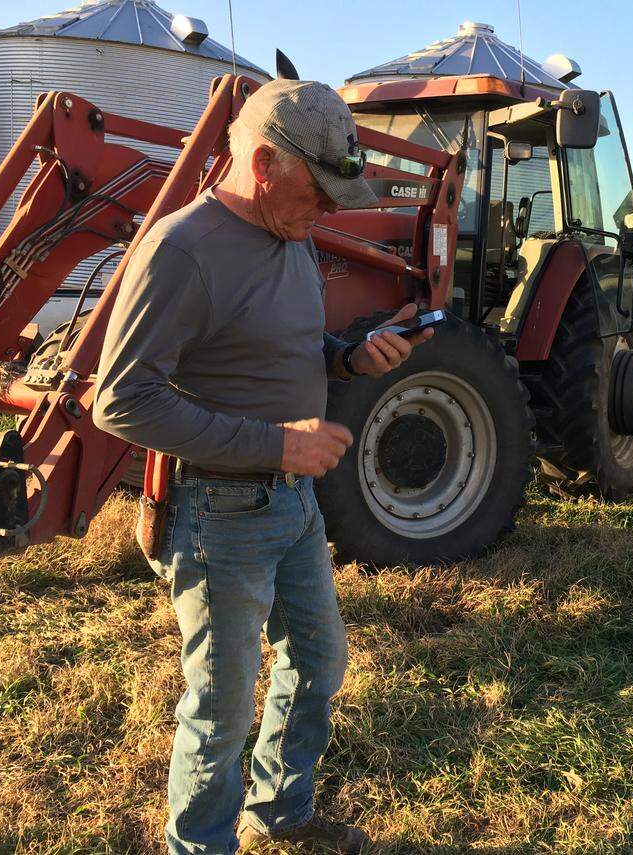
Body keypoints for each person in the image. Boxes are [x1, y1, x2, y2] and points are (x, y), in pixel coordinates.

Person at [94, 78, 433, 854]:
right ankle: (201, 844)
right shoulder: (182, 250)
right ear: (263, 162)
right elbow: (122, 401)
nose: (331, 209)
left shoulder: (292, 234)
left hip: (294, 505)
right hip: (219, 515)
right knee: (218, 709)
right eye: (320, 190)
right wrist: (280, 444)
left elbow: (281, 344)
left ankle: (280, 811)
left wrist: (349, 357)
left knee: (319, 661)